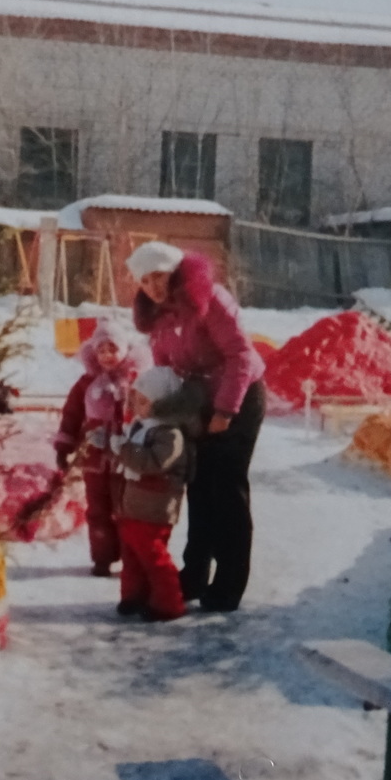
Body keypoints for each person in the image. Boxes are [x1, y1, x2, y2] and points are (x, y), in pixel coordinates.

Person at [128, 241, 266, 612]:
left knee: (227, 490)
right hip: (195, 401)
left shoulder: (212, 299)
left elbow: (240, 355)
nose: (154, 287)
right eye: (145, 281)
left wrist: (224, 412)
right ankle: (194, 574)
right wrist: (154, 404)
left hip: (238, 397)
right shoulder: (158, 314)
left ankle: (229, 583)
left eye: (159, 276)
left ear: (175, 271)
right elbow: (166, 369)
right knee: (198, 486)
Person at [54, 318, 149, 576]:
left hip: (125, 456)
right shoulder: (87, 383)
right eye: (101, 350)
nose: (107, 356)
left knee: (126, 509)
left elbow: (149, 415)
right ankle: (102, 557)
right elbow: (72, 414)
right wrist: (64, 445)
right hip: (94, 457)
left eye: (113, 349)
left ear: (125, 350)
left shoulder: (134, 381)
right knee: (97, 509)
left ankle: (130, 557)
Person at [112, 365, 201, 622]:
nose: (137, 407)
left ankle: (168, 602)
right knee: (132, 554)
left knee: (153, 556)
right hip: (134, 504)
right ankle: (134, 595)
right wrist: (109, 446)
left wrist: (123, 448)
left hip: (155, 506)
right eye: (135, 400)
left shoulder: (170, 434)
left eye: (144, 401)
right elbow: (127, 458)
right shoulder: (142, 427)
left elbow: (149, 462)